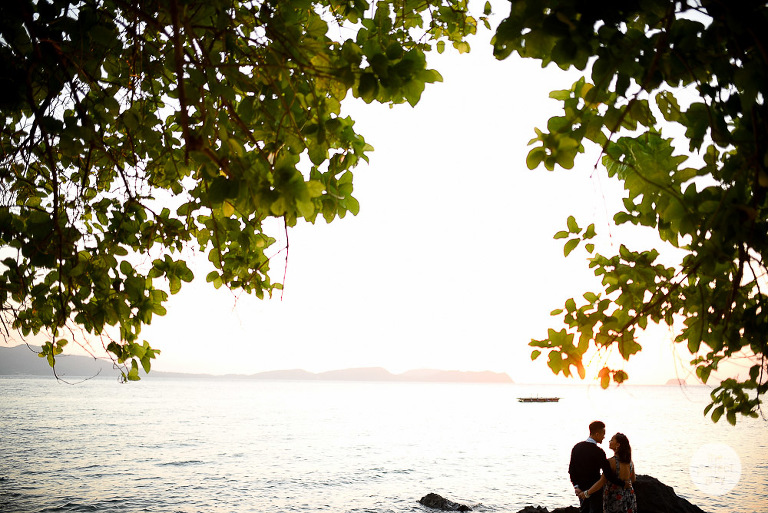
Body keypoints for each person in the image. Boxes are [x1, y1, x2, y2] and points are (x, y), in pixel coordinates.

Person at [569, 421, 625, 513]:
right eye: (603, 434)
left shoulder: (576, 447)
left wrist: (576, 486)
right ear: (597, 434)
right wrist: (623, 483)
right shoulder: (599, 452)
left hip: (581, 488)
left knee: (584, 511)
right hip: (595, 489)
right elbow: (608, 474)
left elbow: (571, 470)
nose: (604, 437)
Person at [578, 432, 637, 513]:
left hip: (614, 497)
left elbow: (602, 481)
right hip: (629, 496)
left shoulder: (611, 462)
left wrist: (587, 493)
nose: (609, 441)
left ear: (618, 445)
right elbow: (633, 479)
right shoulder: (630, 462)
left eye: (612, 440)